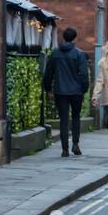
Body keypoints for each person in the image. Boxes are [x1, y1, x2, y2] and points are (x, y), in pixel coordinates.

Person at [42, 28, 89, 157]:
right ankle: (75, 143)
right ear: (74, 38)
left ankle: (64, 149)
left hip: (60, 91)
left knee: (63, 119)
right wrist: (84, 88)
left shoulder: (55, 53)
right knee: (75, 117)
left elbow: (48, 74)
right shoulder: (79, 54)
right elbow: (84, 74)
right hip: (76, 92)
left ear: (63, 38)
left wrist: (48, 89)